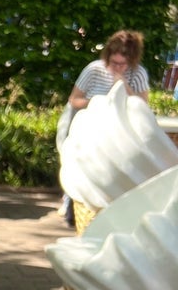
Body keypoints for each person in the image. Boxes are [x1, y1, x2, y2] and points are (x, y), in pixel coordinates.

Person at [57, 29, 150, 224]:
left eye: (122, 64)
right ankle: (71, 206)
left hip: (116, 135)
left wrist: (124, 86)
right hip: (87, 129)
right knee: (79, 167)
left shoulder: (138, 74)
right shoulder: (94, 70)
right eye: (113, 62)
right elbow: (74, 100)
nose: (117, 67)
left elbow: (142, 107)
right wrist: (99, 102)